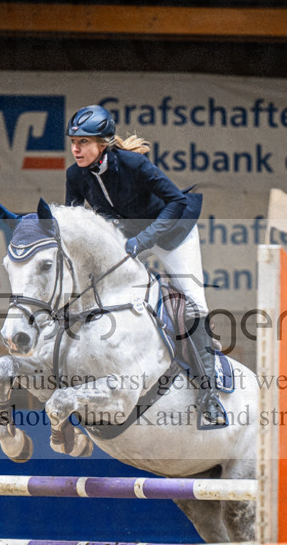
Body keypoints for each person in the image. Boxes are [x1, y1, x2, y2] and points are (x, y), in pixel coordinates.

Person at [64, 104, 226, 428]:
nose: (76, 149)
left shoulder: (133, 163)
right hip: (132, 238)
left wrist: (144, 239)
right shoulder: (75, 175)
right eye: (73, 142)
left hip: (174, 234)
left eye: (83, 142)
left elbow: (177, 201)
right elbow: (73, 222)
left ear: (103, 143)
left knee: (194, 304)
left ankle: (210, 396)